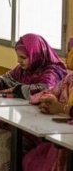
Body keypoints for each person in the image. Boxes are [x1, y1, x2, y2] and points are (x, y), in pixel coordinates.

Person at [0, 33, 67, 171]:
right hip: (23, 117)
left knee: (10, 142)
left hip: (39, 125)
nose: (19, 61)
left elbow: (44, 89)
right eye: (18, 57)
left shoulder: (53, 70)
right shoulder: (23, 69)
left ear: (36, 54)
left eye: (23, 57)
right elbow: (7, 78)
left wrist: (16, 89)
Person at [21, 43, 73, 171]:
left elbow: (44, 86)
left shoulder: (52, 70)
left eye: (70, 51)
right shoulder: (70, 78)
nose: (67, 55)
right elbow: (48, 92)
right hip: (62, 134)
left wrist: (62, 108)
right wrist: (49, 101)